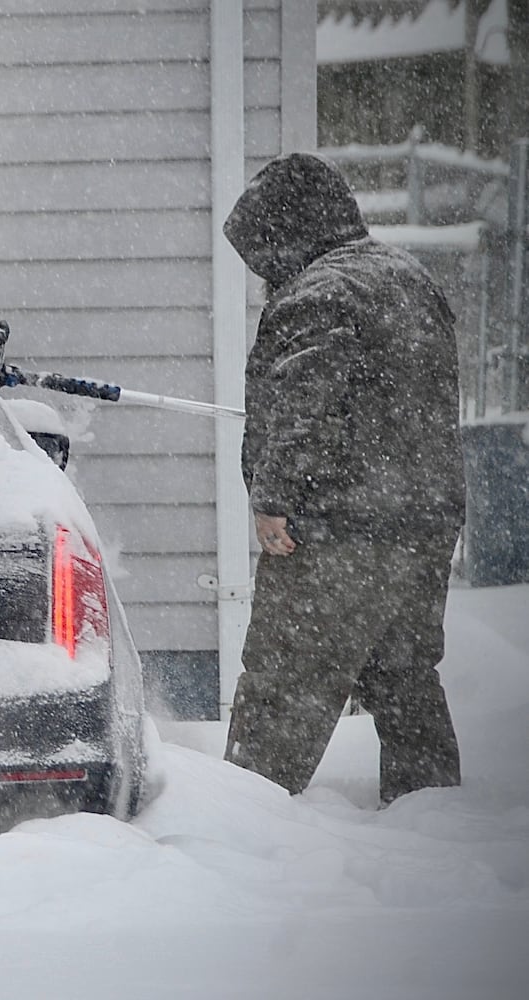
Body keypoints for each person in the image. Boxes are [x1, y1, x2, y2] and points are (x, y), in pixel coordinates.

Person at [220, 151, 465, 805]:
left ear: (288, 230)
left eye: (263, 249)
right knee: (404, 677)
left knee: (282, 682)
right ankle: (432, 812)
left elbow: (306, 407)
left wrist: (272, 498)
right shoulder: (408, 278)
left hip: (337, 530)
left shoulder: (321, 293)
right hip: (423, 522)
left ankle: (240, 821)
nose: (263, 269)